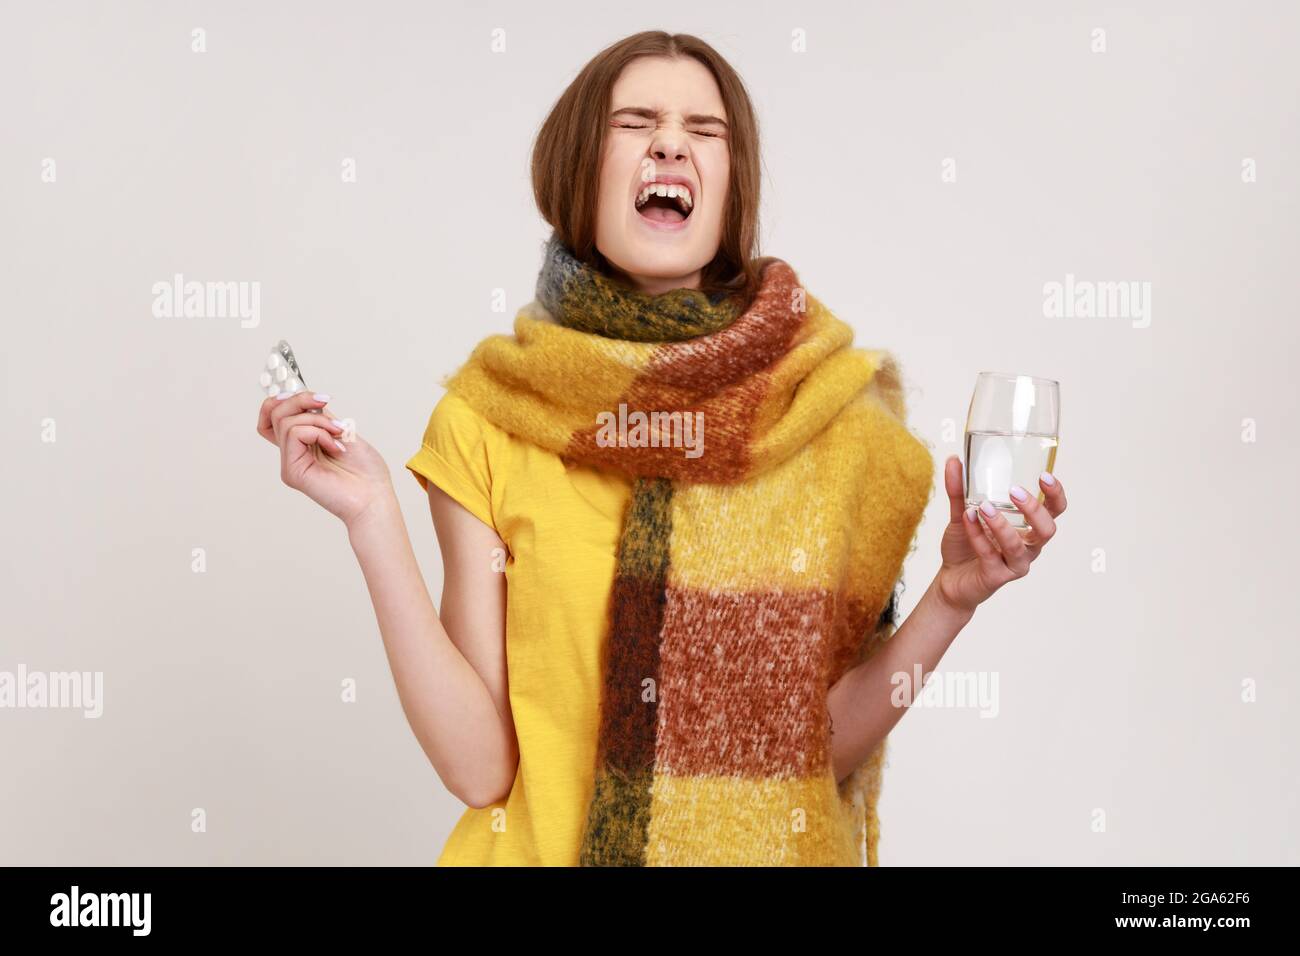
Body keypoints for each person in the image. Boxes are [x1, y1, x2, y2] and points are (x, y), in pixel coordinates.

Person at [255, 31, 1068, 866]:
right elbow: (478, 767)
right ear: (581, 170)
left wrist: (953, 597)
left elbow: (804, 754)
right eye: (634, 122)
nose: (670, 142)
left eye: (704, 130)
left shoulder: (827, 421)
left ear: (729, 189)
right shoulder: (489, 419)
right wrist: (371, 517)